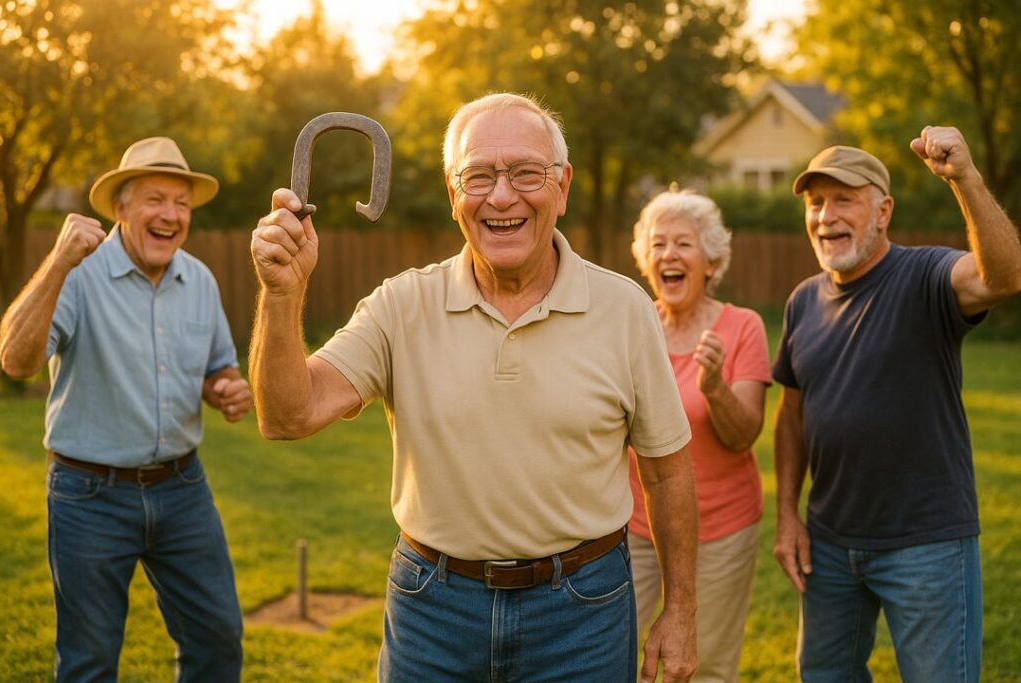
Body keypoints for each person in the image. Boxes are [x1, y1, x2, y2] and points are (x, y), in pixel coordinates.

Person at [249, 93, 699, 682]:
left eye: (525, 173)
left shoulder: (625, 310)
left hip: (583, 612)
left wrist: (682, 610)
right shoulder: (400, 305)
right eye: (479, 175)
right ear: (452, 193)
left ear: (561, 187)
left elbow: (667, 472)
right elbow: (288, 415)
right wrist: (282, 295)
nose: (502, 195)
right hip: (433, 608)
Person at [772, 127, 1021, 682]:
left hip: (926, 544)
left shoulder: (925, 275)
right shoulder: (802, 301)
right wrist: (788, 514)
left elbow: (1003, 277)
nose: (825, 215)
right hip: (831, 544)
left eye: (844, 199)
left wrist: (965, 179)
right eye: (815, 203)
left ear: (882, 210)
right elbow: (791, 416)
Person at [0, 137, 251, 682]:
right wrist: (59, 262)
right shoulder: (77, 274)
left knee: (217, 638)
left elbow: (218, 368)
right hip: (89, 497)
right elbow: (16, 360)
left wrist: (227, 388)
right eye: (156, 199)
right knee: (89, 661)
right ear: (120, 208)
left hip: (182, 490)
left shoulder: (200, 280)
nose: (170, 215)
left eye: (181, 204)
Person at [627, 187, 770, 683]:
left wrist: (714, 387)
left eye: (684, 244)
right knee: (626, 661)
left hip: (721, 530)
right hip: (637, 528)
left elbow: (744, 434)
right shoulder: (629, 324)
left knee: (703, 668)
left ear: (710, 261)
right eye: (659, 244)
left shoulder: (742, 328)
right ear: (646, 260)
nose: (670, 254)